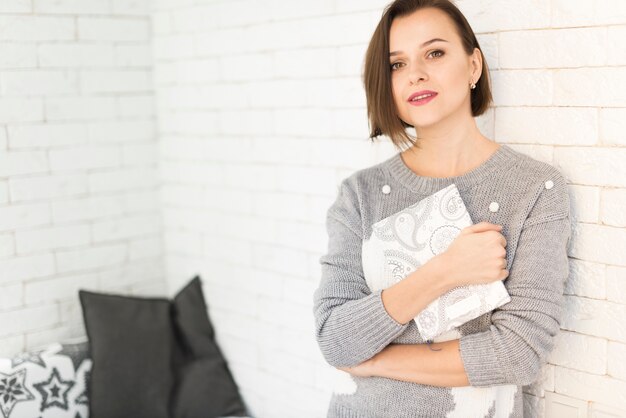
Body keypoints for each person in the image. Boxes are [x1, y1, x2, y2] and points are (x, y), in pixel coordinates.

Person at [312, 0, 572, 417]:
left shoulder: (535, 189)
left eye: (434, 53)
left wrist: (376, 359)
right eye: (396, 64)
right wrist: (445, 271)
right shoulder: (358, 196)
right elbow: (336, 339)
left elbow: (520, 352)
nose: (416, 73)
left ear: (473, 66)